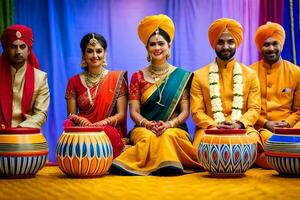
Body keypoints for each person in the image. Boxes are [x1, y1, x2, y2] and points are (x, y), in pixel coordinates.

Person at [110, 14, 201, 175]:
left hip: (175, 127)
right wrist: (147, 124)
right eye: (152, 44)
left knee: (167, 135)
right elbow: (134, 112)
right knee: (149, 136)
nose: (157, 47)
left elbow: (185, 111)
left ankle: (168, 166)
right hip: (144, 127)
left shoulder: (181, 76)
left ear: (169, 46)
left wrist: (169, 124)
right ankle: (135, 164)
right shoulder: (137, 76)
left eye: (161, 43)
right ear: (147, 48)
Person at [190, 18, 262, 158]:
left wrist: (240, 124)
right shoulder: (199, 76)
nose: (225, 47)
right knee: (204, 147)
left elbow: (254, 109)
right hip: (209, 129)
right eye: (220, 42)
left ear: (236, 43)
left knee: (252, 142)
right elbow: (197, 112)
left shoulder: (250, 75)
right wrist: (214, 125)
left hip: (243, 128)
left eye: (230, 41)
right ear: (214, 44)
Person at [65, 33, 127, 158]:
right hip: (83, 131)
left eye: (99, 51)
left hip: (107, 130)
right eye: (90, 51)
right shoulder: (74, 81)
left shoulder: (116, 78)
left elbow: (121, 114)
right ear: (83, 54)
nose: (95, 56)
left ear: (105, 54)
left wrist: (103, 123)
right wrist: (83, 122)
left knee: (107, 136)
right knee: (73, 137)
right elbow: (71, 116)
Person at [250, 22, 300, 168]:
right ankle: (286, 160)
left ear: (281, 45)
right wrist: (265, 123)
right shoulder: (250, 73)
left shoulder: (296, 72)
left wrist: (288, 123)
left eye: (275, 43)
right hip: (261, 128)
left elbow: (299, 109)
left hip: (291, 127)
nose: (271, 48)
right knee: (260, 139)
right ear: (260, 47)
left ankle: (272, 159)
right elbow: (247, 109)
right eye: (266, 44)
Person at [0, 24, 50, 128]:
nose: (18, 52)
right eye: (13, 47)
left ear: (28, 50)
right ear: (6, 50)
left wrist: (20, 128)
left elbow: (41, 114)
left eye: (22, 47)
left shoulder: (40, 78)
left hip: (27, 135)